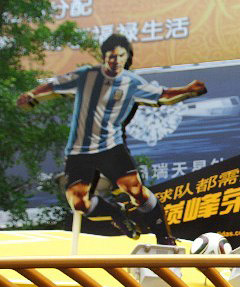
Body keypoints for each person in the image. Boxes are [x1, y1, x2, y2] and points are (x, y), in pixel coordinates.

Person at [17, 34, 207, 245]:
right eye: (111, 56)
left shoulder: (131, 82)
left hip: (110, 146)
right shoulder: (86, 75)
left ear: (127, 57)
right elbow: (53, 85)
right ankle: (117, 213)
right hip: (79, 151)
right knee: (79, 203)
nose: (115, 60)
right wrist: (32, 94)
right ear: (105, 57)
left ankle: (164, 237)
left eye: (120, 56)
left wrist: (187, 90)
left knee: (134, 190)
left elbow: (162, 94)